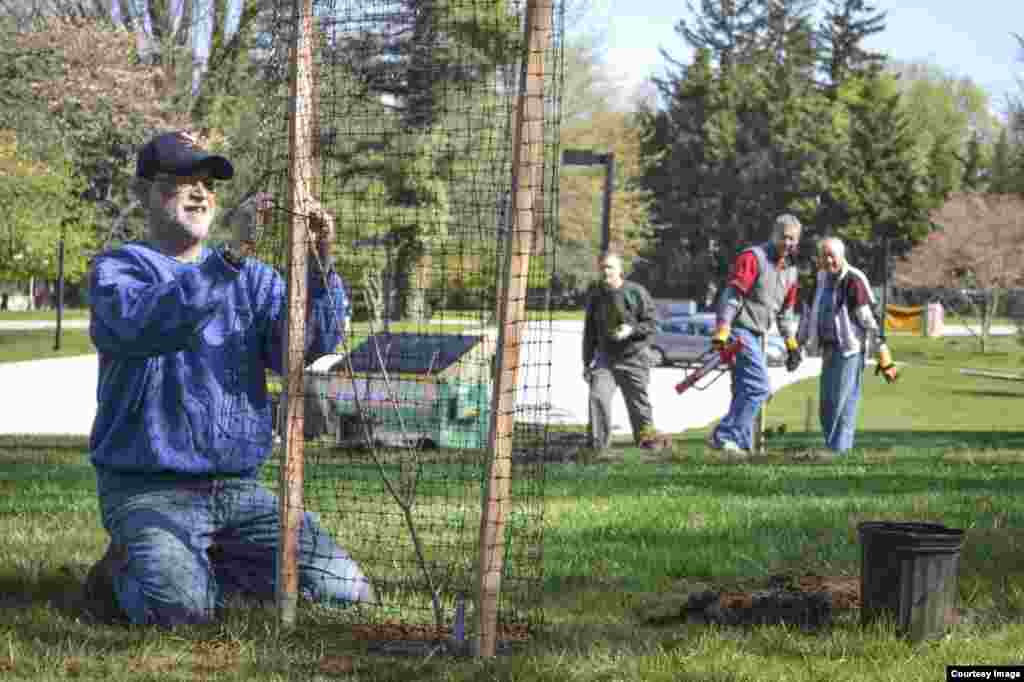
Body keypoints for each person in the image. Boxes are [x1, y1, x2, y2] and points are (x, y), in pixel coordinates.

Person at [82, 130, 373, 626]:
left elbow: (302, 350)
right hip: (149, 489)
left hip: (238, 490)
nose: (200, 193)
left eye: (208, 184)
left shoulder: (254, 279)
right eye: (181, 181)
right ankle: (124, 567)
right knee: (181, 611)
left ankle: (204, 561)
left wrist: (322, 263)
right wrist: (230, 258)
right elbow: (155, 322)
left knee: (344, 592)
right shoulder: (119, 270)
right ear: (142, 193)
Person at [707, 214, 804, 456]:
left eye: (793, 239)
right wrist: (723, 329)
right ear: (774, 234)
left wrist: (792, 345)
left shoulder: (791, 271)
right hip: (739, 330)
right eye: (784, 237)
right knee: (760, 388)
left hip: (759, 335)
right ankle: (724, 435)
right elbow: (732, 296)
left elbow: (785, 313)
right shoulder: (753, 258)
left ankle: (739, 447)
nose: (788, 243)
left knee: (744, 390)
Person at [797, 237, 898, 454]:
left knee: (842, 403)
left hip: (850, 350)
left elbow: (869, 318)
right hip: (828, 349)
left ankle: (838, 451)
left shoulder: (853, 279)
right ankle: (834, 447)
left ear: (842, 256)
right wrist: (798, 342)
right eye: (824, 255)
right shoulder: (819, 279)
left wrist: (882, 350)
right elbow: (808, 313)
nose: (827, 260)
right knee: (827, 404)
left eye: (832, 255)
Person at [582, 250, 661, 452]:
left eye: (609, 267)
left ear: (619, 270)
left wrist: (631, 329)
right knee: (597, 396)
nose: (605, 271)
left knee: (639, 404)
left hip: (634, 357)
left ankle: (648, 444)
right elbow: (590, 332)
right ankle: (598, 449)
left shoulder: (636, 292)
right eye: (602, 267)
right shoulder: (596, 296)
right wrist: (587, 362)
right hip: (605, 359)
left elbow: (652, 323)